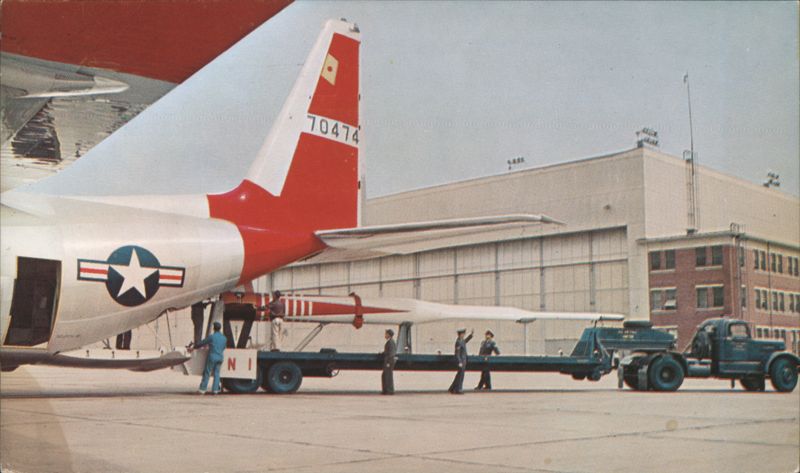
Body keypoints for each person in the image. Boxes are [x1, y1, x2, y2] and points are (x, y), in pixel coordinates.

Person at [190, 321, 227, 394]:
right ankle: (215, 390)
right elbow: (223, 347)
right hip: (220, 357)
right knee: (217, 373)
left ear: (214, 328)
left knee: (207, 372)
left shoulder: (212, 337)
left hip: (212, 357)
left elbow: (202, 343)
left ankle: (202, 389)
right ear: (220, 329)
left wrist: (194, 346)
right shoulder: (224, 338)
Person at [448, 328, 473, 394]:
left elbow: (466, 341)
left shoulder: (462, 340)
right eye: (463, 334)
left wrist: (471, 335)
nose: (464, 335)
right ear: (461, 334)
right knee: (460, 376)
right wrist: (459, 362)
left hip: (463, 360)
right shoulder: (458, 342)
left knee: (459, 375)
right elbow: (457, 353)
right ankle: (458, 389)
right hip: (461, 361)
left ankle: (452, 388)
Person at [382, 329, 397, 395]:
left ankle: (389, 391)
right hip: (389, 360)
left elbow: (391, 353)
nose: (385, 335)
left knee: (388, 376)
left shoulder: (390, 342)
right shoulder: (390, 342)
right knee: (385, 375)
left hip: (389, 361)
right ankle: (387, 390)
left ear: (389, 334)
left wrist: (388, 362)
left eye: (386, 334)